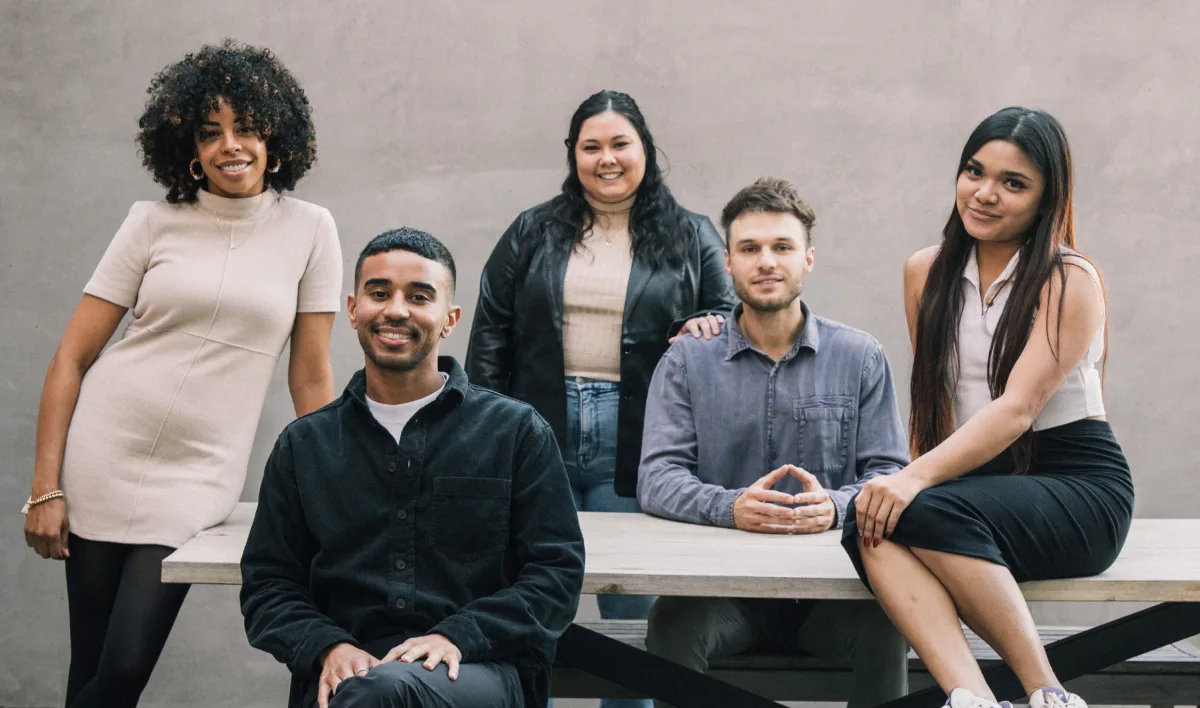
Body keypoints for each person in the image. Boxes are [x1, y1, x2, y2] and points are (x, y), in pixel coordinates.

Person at [22, 39, 341, 708]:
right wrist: (44, 488)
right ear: (187, 149)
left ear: (275, 135)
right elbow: (72, 357)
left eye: (247, 127)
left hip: (198, 476)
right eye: (210, 132)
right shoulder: (150, 223)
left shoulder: (311, 230)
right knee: (91, 667)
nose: (232, 145)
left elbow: (309, 378)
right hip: (103, 453)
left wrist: (331, 489)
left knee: (125, 667)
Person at [842, 107, 1134, 708]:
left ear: (1045, 200)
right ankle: (970, 698)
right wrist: (910, 486)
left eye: (1013, 183)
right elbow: (936, 406)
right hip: (981, 485)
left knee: (908, 506)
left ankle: (1048, 694)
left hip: (1075, 483)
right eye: (975, 171)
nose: (985, 193)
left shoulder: (1067, 278)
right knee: (867, 524)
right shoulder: (925, 271)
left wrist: (911, 482)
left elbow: (1018, 409)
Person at [240, 228, 586, 708]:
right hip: (343, 680)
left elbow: (556, 574)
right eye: (379, 293)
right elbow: (268, 584)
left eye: (419, 297)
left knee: (383, 694)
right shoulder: (304, 445)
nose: (396, 310)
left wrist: (458, 636)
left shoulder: (516, 432)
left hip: (477, 670)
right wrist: (327, 646)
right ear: (353, 309)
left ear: (449, 318)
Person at [466, 95, 735, 700]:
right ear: (573, 155)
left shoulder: (692, 234)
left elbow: (729, 311)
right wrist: (480, 428)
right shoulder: (531, 230)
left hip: (639, 437)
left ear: (645, 150)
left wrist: (708, 323)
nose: (606, 159)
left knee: (634, 615)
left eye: (621, 144)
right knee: (525, 597)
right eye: (592, 146)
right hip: (537, 430)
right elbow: (491, 335)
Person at [638, 177, 910, 708]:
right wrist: (729, 507)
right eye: (750, 249)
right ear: (729, 263)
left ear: (807, 259)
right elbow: (658, 476)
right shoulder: (687, 360)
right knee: (670, 626)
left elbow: (889, 473)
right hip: (722, 594)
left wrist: (833, 507)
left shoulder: (860, 356)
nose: (766, 261)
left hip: (832, 594)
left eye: (782, 247)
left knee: (889, 627)